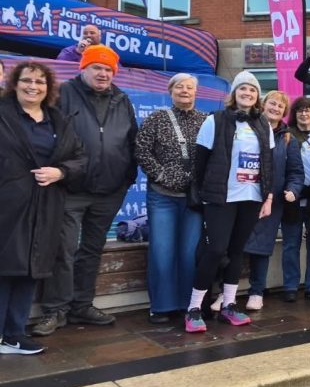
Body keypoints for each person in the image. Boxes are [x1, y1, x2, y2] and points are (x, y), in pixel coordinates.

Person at [33, 45, 138, 337]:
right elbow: (44, 135)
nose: (103, 74)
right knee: (63, 250)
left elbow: (132, 140)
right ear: (84, 67)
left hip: (110, 190)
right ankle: (55, 310)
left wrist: (126, 178)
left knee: (92, 249)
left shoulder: (122, 98)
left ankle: (82, 304)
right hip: (70, 188)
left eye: (108, 69)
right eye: (97, 67)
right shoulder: (63, 94)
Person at [0, 62, 86, 355]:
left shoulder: (57, 120)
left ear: (48, 88)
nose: (33, 86)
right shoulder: (3, 113)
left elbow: (79, 158)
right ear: (15, 83)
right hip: (7, 203)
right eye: (27, 80)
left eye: (40, 82)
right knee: (4, 268)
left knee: (30, 269)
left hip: (46, 205)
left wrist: (60, 172)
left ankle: (14, 334)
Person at [184, 71, 275, 333]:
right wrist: (204, 194)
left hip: (251, 196)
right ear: (234, 94)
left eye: (252, 90)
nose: (247, 94)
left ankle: (229, 305)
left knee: (237, 251)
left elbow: (268, 164)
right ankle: (193, 309)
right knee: (215, 251)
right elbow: (199, 163)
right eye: (242, 89)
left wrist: (267, 196)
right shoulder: (216, 120)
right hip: (222, 197)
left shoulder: (263, 124)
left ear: (258, 97)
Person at [134, 73, 207, 324]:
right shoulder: (157, 118)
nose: (185, 90)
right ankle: (162, 306)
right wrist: (161, 174)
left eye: (189, 87)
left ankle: (189, 304)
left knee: (189, 253)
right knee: (162, 251)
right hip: (162, 196)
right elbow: (142, 150)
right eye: (179, 87)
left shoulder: (206, 120)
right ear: (170, 91)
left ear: (196, 93)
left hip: (193, 199)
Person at [241, 91, 303, 311]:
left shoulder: (288, 139)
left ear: (284, 112)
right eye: (272, 103)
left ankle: (256, 292)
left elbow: (296, 172)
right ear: (263, 104)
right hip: (243, 195)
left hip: (272, 201)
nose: (275, 108)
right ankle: (226, 291)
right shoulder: (245, 128)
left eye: (280, 106)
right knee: (234, 245)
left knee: (261, 246)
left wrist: (292, 190)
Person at [282, 97, 310, 301]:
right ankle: (290, 286)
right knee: (291, 243)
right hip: (291, 198)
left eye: (308, 110)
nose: (304, 113)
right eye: (300, 110)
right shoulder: (286, 135)